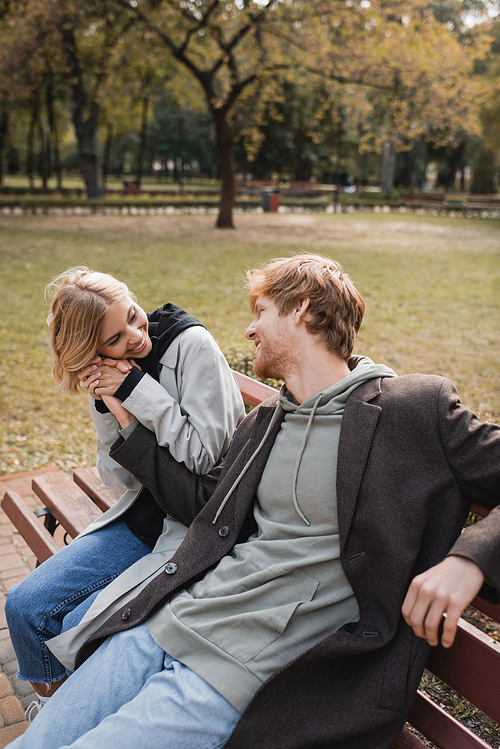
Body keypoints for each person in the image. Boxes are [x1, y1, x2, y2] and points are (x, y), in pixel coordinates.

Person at [8, 254, 500, 749]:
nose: (248, 329)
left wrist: (468, 559)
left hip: (239, 669)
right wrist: (125, 414)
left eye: (260, 311)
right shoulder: (267, 421)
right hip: (168, 623)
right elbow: (201, 504)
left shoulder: (414, 408)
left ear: (301, 310)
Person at [5, 267, 244, 715]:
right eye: (114, 339)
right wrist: (108, 407)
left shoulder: (191, 346)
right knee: (23, 606)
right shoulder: (114, 376)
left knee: (78, 627)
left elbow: (202, 459)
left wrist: (137, 391)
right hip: (141, 517)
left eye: (133, 316)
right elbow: (117, 480)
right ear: (93, 352)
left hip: (191, 525)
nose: (135, 336)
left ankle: (71, 717)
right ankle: (51, 711)